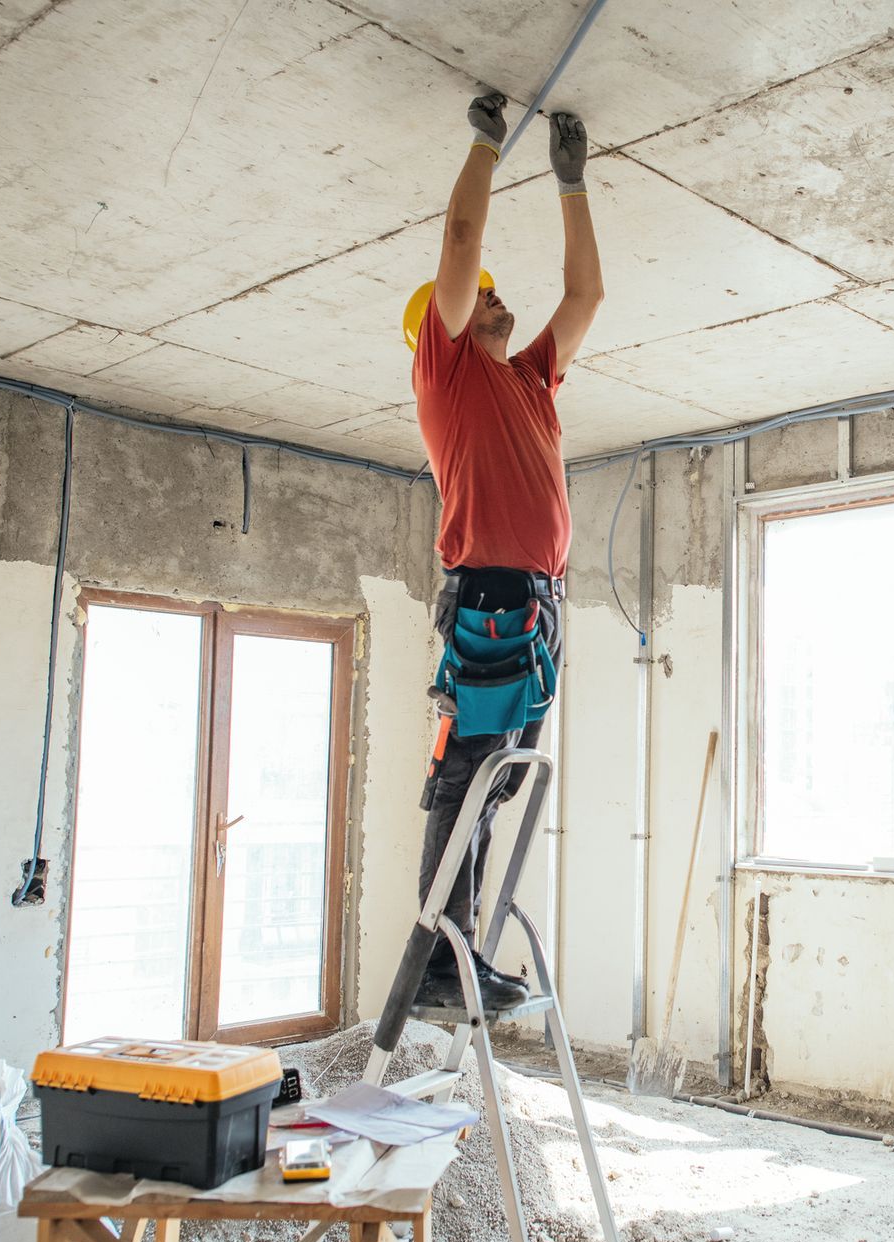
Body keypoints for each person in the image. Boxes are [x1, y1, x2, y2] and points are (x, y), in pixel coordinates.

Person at [407, 93, 603, 1011]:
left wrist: (573, 185)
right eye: (478, 295)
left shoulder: (530, 378)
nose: (490, 294)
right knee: (467, 778)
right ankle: (438, 961)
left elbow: (586, 296)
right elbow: (459, 241)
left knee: (496, 786)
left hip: (537, 605)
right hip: (490, 595)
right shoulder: (445, 373)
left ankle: (462, 948)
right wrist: (486, 145)